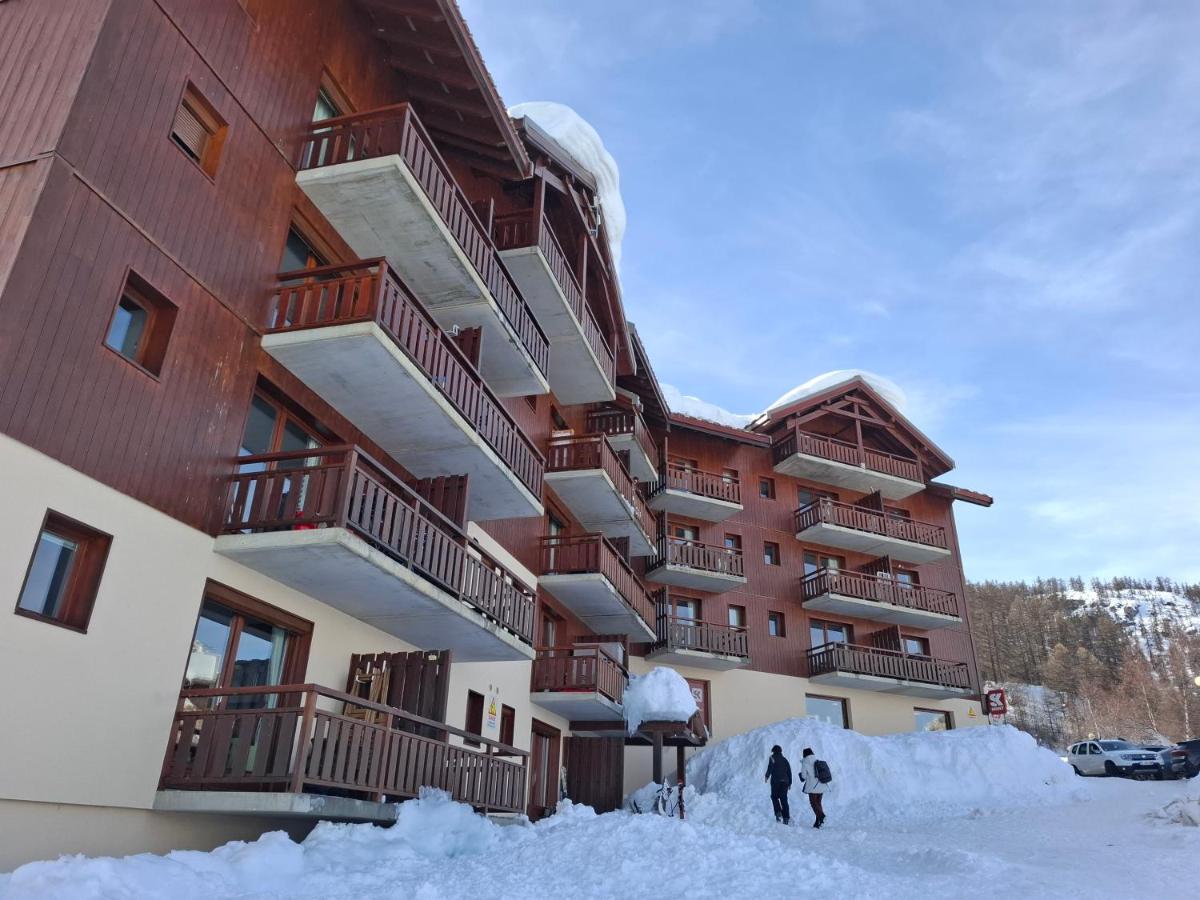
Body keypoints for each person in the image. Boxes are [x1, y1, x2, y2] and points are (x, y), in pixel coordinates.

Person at [764, 744, 792, 824]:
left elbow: (770, 767)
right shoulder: (785, 760)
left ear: (773, 751)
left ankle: (778, 812)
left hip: (776, 781)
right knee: (784, 799)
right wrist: (790, 783)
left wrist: (767, 776)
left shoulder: (772, 758)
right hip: (785, 782)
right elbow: (789, 771)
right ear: (780, 751)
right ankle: (786, 818)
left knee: (774, 796)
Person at [800, 747, 827, 828]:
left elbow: (803, 776)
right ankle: (818, 822)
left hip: (813, 787)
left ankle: (822, 816)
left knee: (813, 803)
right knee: (818, 803)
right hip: (821, 785)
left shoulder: (805, 763)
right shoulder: (817, 760)